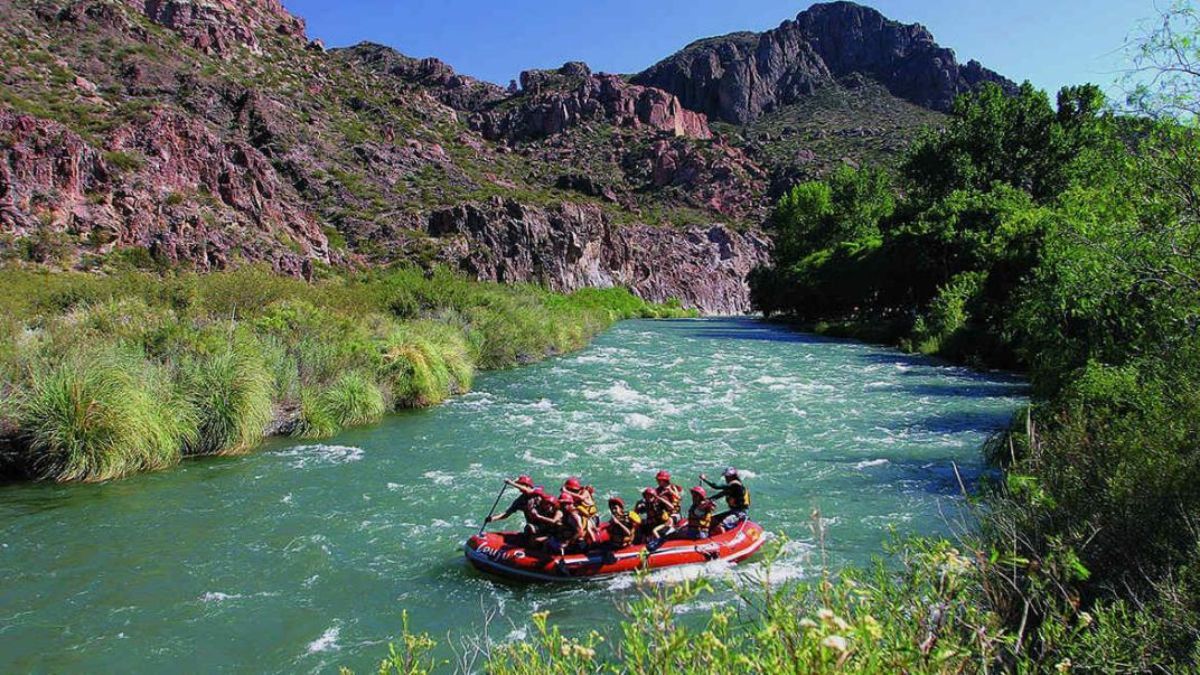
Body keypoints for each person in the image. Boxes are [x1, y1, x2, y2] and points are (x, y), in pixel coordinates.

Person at [700, 467, 751, 533]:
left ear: (732, 477)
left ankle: (722, 540)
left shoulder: (735, 485)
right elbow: (720, 494)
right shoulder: (732, 488)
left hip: (740, 513)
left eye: (727, 477)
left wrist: (704, 479)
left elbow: (716, 486)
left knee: (720, 526)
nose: (726, 479)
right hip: (733, 511)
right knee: (712, 520)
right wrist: (708, 499)